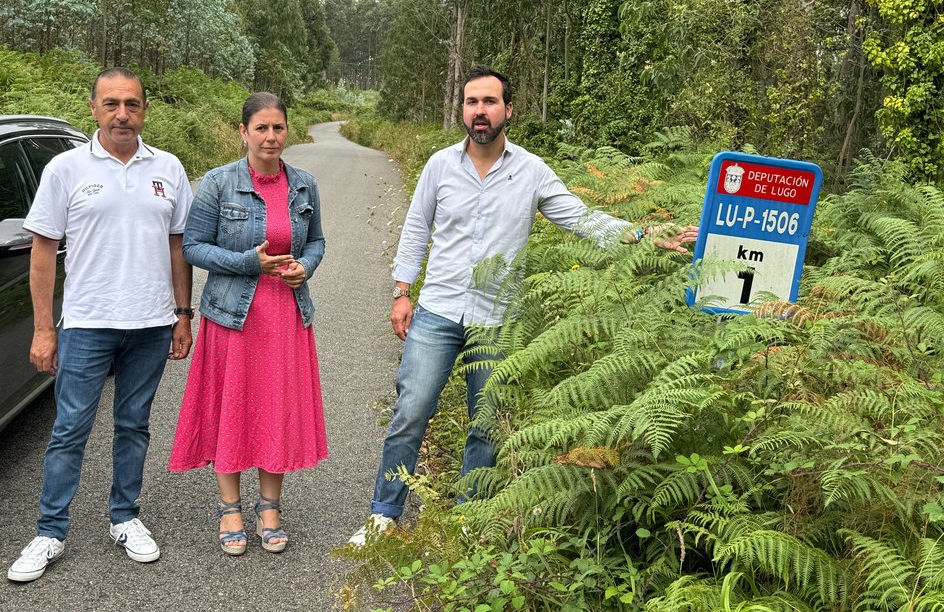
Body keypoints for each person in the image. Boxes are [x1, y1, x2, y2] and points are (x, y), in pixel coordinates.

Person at [349, 65, 698, 546]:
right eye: (472, 102)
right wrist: (401, 291)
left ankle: (471, 519)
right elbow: (415, 229)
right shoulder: (439, 166)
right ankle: (383, 515)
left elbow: (581, 219)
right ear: (463, 110)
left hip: (497, 321)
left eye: (489, 102)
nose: (480, 111)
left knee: (486, 423)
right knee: (411, 411)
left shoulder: (531, 171)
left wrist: (645, 235)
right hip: (438, 311)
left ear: (508, 110)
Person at [7, 68, 194, 582]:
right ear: (93, 109)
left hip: (152, 324)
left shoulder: (169, 168)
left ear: (144, 110)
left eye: (132, 104)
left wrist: (183, 314)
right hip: (87, 324)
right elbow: (43, 250)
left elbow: (179, 246)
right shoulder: (65, 169)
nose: (122, 114)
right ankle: (50, 531)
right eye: (111, 104)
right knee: (69, 430)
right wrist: (44, 328)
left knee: (134, 425)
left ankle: (125, 516)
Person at [168, 92, 327, 556]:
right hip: (234, 317)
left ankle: (270, 507)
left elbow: (316, 242)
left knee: (274, 408)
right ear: (243, 132)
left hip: (286, 316)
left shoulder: (305, 184)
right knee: (234, 407)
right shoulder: (218, 183)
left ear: (287, 131)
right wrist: (246, 263)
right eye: (261, 128)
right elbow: (193, 247)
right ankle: (230, 508)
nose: (271, 137)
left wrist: (306, 267)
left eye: (278, 128)